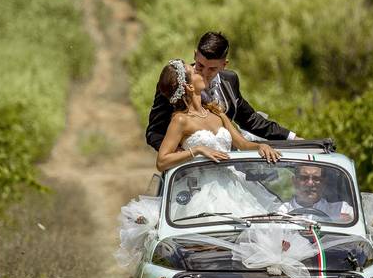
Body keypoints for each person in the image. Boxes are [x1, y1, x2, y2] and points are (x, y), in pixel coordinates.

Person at [155, 58, 282, 218]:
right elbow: (161, 161)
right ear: (189, 86)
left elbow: (241, 143)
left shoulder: (217, 113)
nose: (201, 71)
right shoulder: (180, 120)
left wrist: (260, 147)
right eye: (195, 71)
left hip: (232, 186)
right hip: (201, 192)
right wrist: (198, 150)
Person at [145, 31, 298, 151]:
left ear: (224, 65)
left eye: (212, 69)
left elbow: (251, 120)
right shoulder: (177, 84)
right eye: (199, 65)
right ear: (195, 55)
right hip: (187, 175)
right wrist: (181, 154)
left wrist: (293, 138)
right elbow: (154, 133)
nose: (204, 73)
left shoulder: (230, 80)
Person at [278, 164, 354, 222]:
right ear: (294, 181)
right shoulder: (282, 212)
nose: (310, 183)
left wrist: (345, 221)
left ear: (323, 183)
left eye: (316, 178)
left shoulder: (341, 210)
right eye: (304, 178)